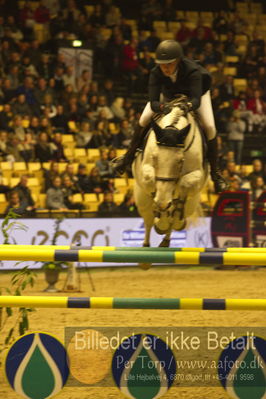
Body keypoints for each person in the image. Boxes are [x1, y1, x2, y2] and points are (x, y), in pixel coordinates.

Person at [111, 39, 227, 193]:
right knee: (143, 119)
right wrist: (163, 107)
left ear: (178, 61)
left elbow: (196, 100)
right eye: (162, 64)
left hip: (196, 95)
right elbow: (153, 102)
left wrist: (188, 106)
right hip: (168, 95)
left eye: (169, 64)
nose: (165, 68)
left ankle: (215, 172)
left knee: (210, 127)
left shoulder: (193, 71)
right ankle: (128, 158)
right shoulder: (156, 72)